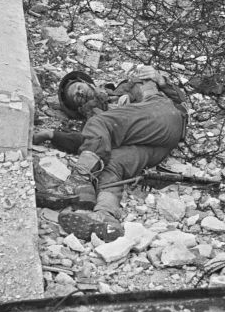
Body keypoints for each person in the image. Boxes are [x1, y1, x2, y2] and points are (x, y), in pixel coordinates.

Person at [34, 65, 188, 242]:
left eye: (78, 88)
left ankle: (78, 182)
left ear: (87, 83)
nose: (79, 95)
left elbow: (179, 99)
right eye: (76, 98)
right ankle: (105, 216)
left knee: (99, 123)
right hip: (158, 147)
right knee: (112, 163)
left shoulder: (122, 90)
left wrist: (159, 79)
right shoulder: (97, 120)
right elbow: (89, 141)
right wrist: (51, 135)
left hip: (164, 115)